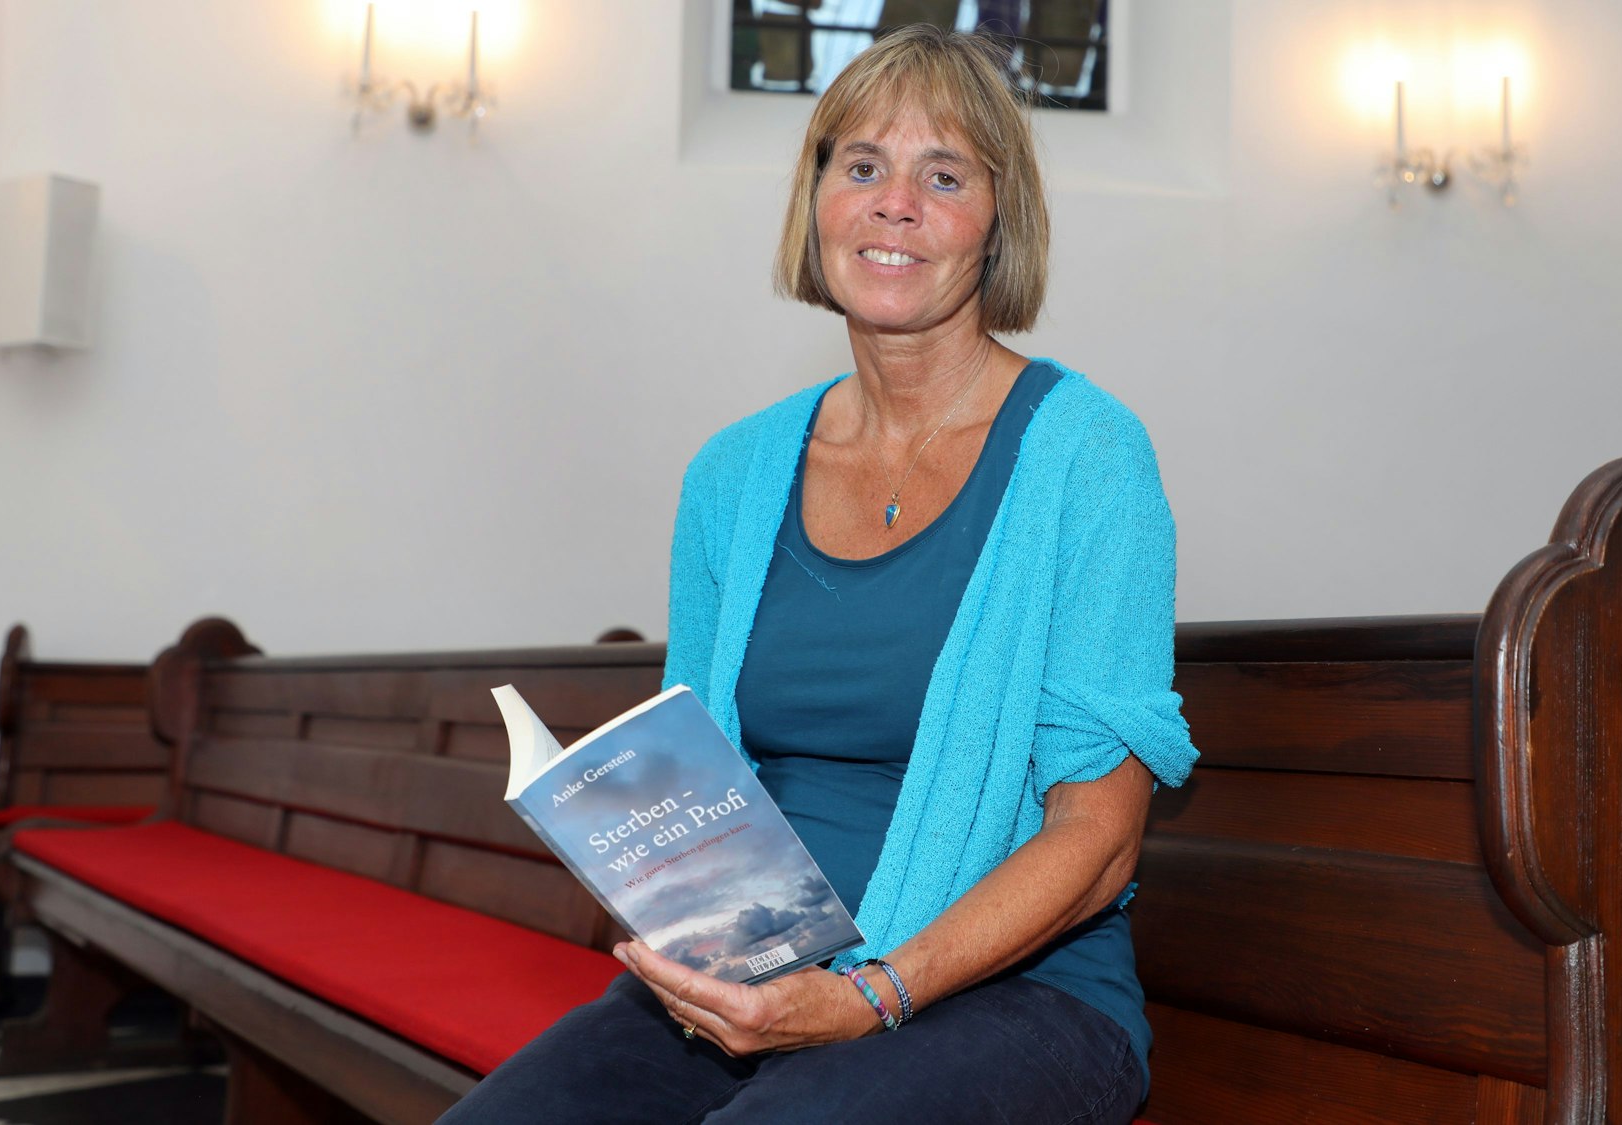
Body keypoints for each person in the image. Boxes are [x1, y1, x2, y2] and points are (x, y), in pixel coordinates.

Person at [440, 24, 1192, 1125]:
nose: (896, 206)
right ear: (817, 200)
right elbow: (701, 774)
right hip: (758, 976)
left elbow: (1098, 836)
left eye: (945, 176)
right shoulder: (733, 474)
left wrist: (869, 995)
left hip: (1014, 997)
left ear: (1000, 221)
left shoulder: (1086, 457)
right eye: (863, 167)